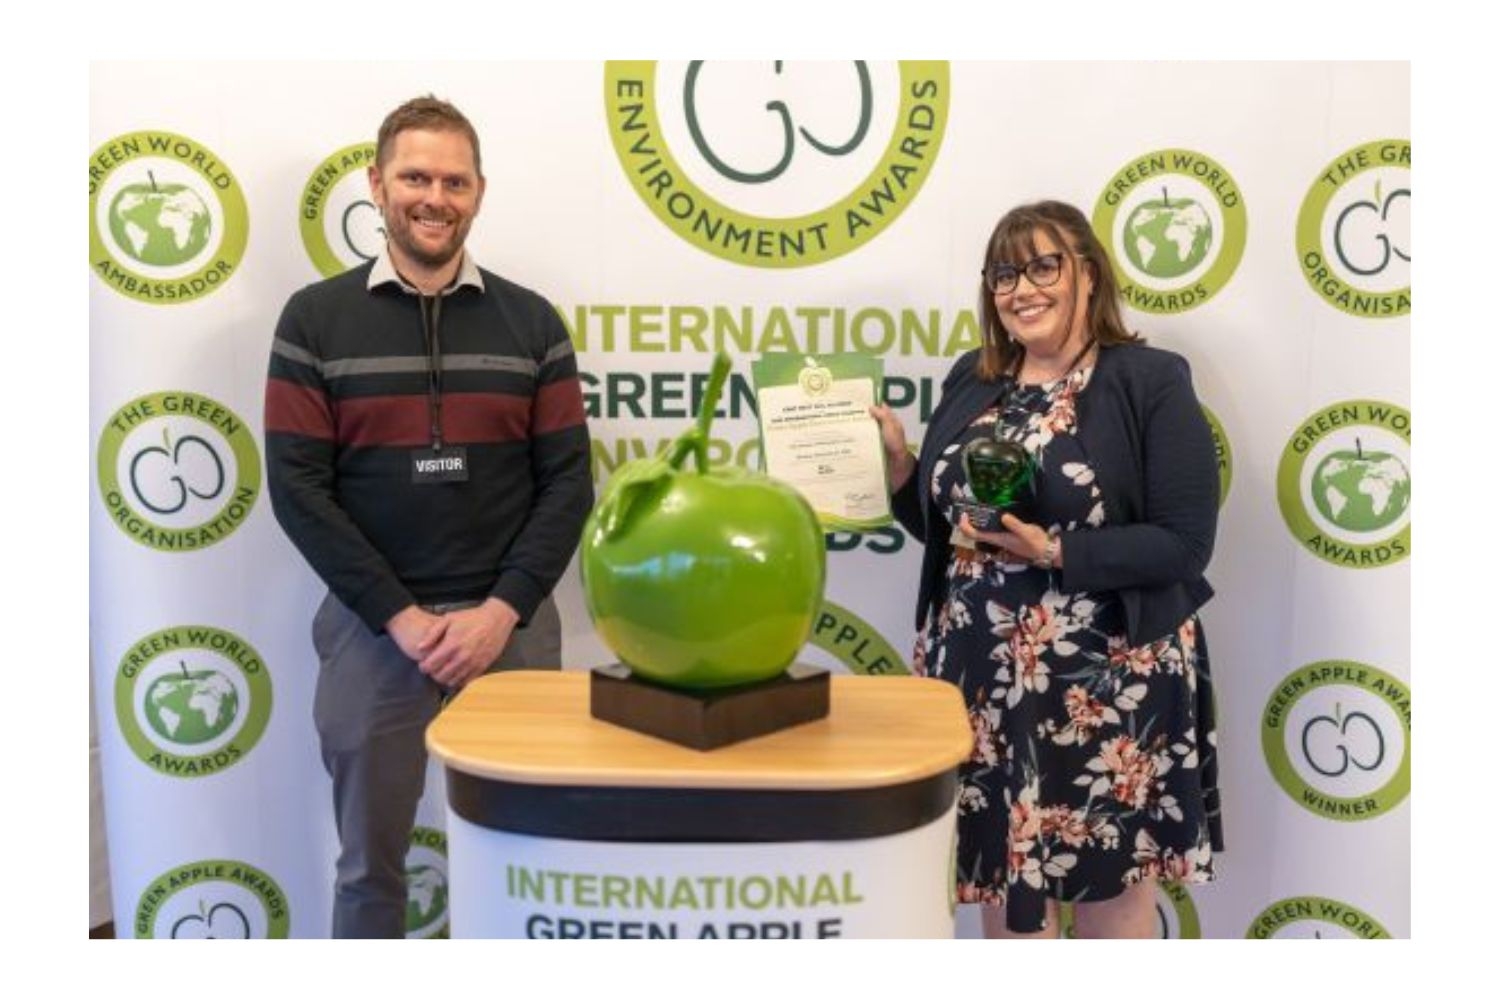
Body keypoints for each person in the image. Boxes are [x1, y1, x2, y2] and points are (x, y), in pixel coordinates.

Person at [264, 95, 593, 938]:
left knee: (532, 858)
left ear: (479, 191)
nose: (434, 197)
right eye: (415, 176)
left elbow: (567, 485)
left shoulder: (533, 323)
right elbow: (299, 490)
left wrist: (499, 611)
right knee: (369, 871)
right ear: (376, 184)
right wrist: (402, 619)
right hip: (373, 637)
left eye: (453, 180)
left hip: (510, 635)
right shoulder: (313, 320)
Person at [871, 200, 1222, 938]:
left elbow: (1185, 545)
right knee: (1004, 884)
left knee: (1107, 890)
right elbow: (950, 534)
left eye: (1041, 266)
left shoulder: (1149, 379)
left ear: (1087, 275)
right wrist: (904, 469)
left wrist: (1055, 552)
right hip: (982, 678)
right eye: (1004, 273)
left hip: (1107, 681)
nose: (1020, 288)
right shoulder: (974, 377)